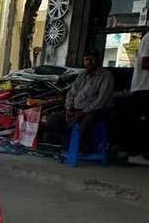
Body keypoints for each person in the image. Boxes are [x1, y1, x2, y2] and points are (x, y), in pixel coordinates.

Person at [41, 50, 115, 149]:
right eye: (87, 59)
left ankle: (81, 147)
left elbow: (102, 100)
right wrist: (69, 108)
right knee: (51, 119)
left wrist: (83, 112)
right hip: (76, 109)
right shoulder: (82, 75)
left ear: (98, 61)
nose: (89, 62)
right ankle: (70, 144)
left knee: (80, 126)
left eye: (93, 59)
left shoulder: (106, 76)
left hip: (96, 110)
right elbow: (71, 93)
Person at [115, 31, 149, 166]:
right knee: (141, 123)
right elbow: (145, 63)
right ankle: (135, 154)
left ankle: (139, 152)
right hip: (144, 87)